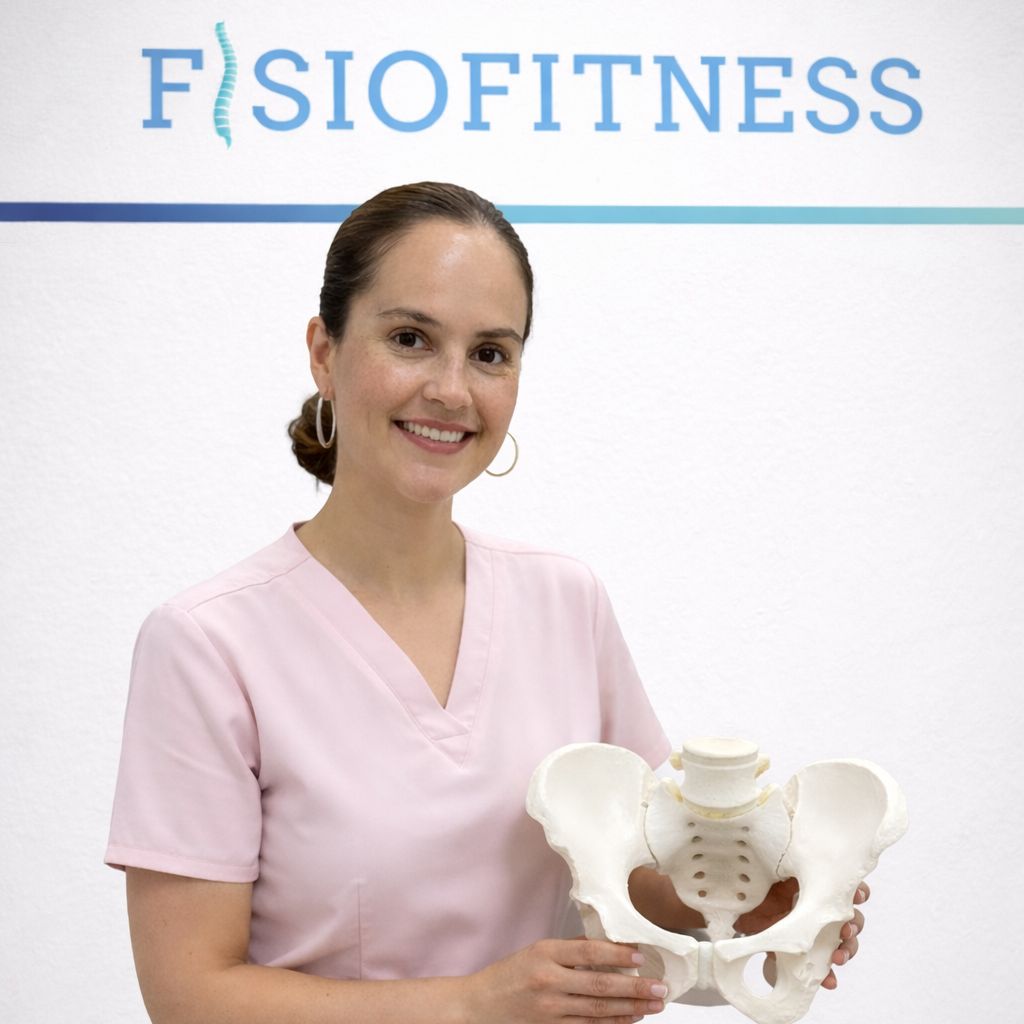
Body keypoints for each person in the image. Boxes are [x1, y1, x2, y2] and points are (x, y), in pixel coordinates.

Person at [105, 182, 865, 1024]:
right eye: (410, 339)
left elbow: (638, 878)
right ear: (324, 351)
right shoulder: (208, 644)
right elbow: (190, 995)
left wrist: (744, 906)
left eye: (491, 354)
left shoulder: (564, 600)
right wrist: (473, 1004)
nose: (451, 389)